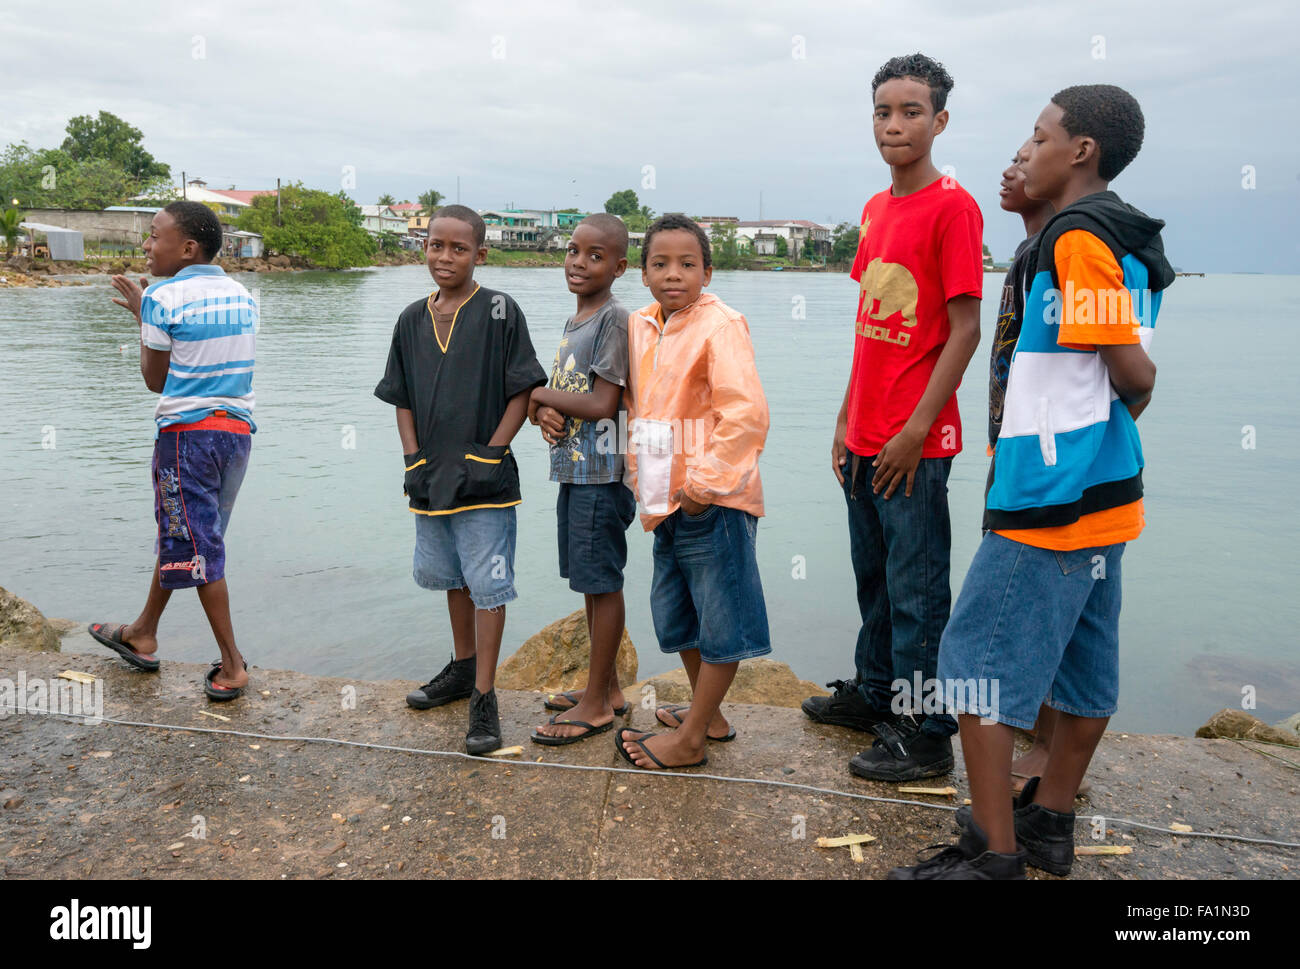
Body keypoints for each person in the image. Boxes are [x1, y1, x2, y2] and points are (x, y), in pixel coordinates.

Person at [892, 84, 1174, 879]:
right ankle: (1048, 819)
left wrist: (1064, 451)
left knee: (974, 663)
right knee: (1084, 670)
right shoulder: (1123, 235)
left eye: (1040, 135)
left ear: (1080, 151)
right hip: (1108, 497)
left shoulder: (1079, 238)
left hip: (1051, 502)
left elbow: (1131, 369)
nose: (1029, 146)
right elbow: (1119, 383)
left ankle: (995, 854)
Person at [803, 53, 984, 782]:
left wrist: (915, 430)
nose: (895, 124)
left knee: (918, 593)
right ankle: (876, 693)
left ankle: (925, 734)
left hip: (918, 440)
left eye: (912, 111)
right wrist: (848, 419)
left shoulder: (954, 206)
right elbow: (869, 322)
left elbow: (964, 329)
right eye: (883, 111)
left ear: (939, 121)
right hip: (866, 434)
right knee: (873, 578)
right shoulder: (877, 210)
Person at [374, 205, 546, 754]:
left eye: (458, 249)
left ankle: (485, 697)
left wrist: (493, 452)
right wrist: (412, 459)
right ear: (423, 247)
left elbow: (523, 389)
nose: (445, 257)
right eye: (435, 246)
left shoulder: (500, 310)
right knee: (452, 577)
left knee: (489, 586)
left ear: (480, 254)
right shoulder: (410, 319)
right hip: (429, 475)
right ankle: (462, 667)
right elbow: (400, 397)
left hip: (486, 476)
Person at [616, 213, 771, 770]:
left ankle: (692, 740)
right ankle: (712, 715)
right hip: (663, 501)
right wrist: (647, 487)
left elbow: (746, 416)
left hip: (713, 501)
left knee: (721, 621)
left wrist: (703, 489)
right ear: (643, 273)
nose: (673, 274)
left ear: (708, 270)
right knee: (677, 614)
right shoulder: (640, 325)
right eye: (660, 264)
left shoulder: (721, 325)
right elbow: (638, 408)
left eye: (687, 264)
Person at [90, 201, 258, 702]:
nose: (146, 244)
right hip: (236, 436)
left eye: (155, 235)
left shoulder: (162, 297)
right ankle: (143, 632)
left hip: (187, 437)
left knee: (199, 548)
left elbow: (155, 379)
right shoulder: (243, 294)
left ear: (187, 248)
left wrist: (144, 319)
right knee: (187, 533)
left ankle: (232, 666)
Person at [527, 214, 637, 745]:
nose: (579, 262)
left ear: (619, 267)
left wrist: (540, 397)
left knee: (603, 582)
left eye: (595, 256)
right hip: (574, 472)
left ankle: (595, 705)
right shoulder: (577, 321)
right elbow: (567, 396)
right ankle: (609, 689)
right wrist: (542, 409)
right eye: (573, 250)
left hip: (601, 476)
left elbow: (600, 403)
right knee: (587, 583)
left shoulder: (614, 318)